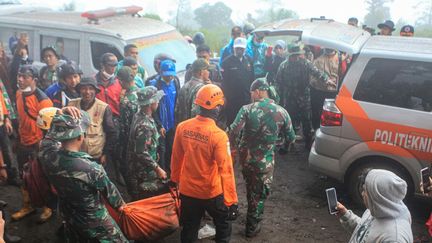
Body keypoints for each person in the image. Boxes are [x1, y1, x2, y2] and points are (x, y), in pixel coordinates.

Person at [39, 109, 128, 242]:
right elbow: (114, 199)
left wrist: (59, 115)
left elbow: (48, 139)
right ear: (81, 136)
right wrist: (123, 207)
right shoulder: (91, 169)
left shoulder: (46, 155)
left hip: (70, 218)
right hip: (95, 223)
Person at [171, 84, 238, 243]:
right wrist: (231, 201)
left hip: (187, 191)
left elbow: (176, 157)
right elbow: (226, 170)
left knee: (189, 228)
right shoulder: (218, 136)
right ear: (218, 108)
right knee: (223, 225)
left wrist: (175, 181)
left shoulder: (182, 127)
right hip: (211, 192)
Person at [228, 79, 295, 237]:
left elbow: (234, 130)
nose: (251, 95)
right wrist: (283, 147)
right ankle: (252, 227)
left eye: (252, 92)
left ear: (258, 91)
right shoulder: (282, 112)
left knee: (251, 187)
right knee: (260, 193)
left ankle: (251, 216)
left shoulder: (246, 109)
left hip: (247, 160)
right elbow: (291, 138)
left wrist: (234, 146)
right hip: (265, 163)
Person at [12, 64, 53, 223]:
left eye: (24, 77)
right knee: (24, 176)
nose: (20, 79)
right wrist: (17, 139)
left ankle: (47, 207)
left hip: (38, 146)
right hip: (23, 143)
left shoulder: (43, 101)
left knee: (41, 178)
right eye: (19, 76)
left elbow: (49, 130)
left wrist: (43, 148)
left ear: (34, 79)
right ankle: (28, 205)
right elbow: (22, 119)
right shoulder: (18, 94)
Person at [276, 42, 335, 149]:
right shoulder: (283, 66)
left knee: (307, 120)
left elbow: (316, 72)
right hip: (290, 97)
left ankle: (308, 142)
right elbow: (278, 83)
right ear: (290, 55)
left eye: (297, 55)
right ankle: (289, 142)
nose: (296, 57)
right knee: (290, 119)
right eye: (293, 55)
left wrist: (327, 80)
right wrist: (278, 99)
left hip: (304, 96)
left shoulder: (305, 63)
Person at [336, 169, 413, 243]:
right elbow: (365, 231)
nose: (362, 193)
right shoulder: (378, 209)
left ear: (377, 195)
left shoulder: (394, 238)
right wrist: (346, 215)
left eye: (365, 190)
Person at [126, 86, 168, 200]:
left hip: (142, 166)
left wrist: (154, 152)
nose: (158, 102)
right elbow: (141, 152)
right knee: (146, 198)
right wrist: (157, 168)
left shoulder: (140, 115)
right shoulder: (144, 125)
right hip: (142, 171)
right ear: (151, 103)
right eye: (156, 100)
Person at [68, 77, 116, 166]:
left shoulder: (103, 108)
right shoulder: (71, 105)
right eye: (84, 88)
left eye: (91, 88)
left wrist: (105, 154)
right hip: (76, 155)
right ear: (79, 90)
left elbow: (111, 133)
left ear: (95, 91)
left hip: (96, 157)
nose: (87, 92)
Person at [147, 59, 180, 174]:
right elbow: (152, 109)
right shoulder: (154, 85)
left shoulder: (175, 82)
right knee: (161, 150)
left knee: (171, 148)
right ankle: (163, 174)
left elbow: (177, 102)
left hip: (171, 124)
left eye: (171, 75)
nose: (170, 77)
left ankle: (172, 172)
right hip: (160, 125)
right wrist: (159, 125)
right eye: (167, 75)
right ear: (161, 73)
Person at [221, 37, 254, 126]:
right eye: (237, 48)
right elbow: (223, 82)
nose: (239, 50)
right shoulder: (226, 62)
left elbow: (252, 78)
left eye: (241, 48)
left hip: (246, 98)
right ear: (234, 48)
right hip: (232, 100)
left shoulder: (249, 60)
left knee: (246, 123)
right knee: (232, 123)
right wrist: (224, 97)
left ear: (245, 49)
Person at [117, 66, 139, 182]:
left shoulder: (125, 101)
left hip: (130, 138)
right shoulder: (141, 92)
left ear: (121, 81)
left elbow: (125, 126)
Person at [310, 48, 340, 130]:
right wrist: (323, 82)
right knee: (318, 114)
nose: (329, 48)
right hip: (320, 92)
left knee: (333, 115)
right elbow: (311, 79)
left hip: (335, 93)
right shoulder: (318, 60)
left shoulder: (341, 59)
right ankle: (317, 131)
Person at [176, 58, 209, 125]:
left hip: (183, 126)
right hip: (194, 128)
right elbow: (195, 113)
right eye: (207, 70)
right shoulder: (201, 88)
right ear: (201, 72)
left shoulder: (184, 86)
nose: (209, 72)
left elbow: (177, 109)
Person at [95, 53, 122, 118]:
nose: (113, 68)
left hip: (115, 119)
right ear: (102, 65)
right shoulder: (94, 81)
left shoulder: (119, 82)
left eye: (115, 65)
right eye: (110, 65)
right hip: (98, 118)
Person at [0, 90, 13, 184]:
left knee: (6, 151)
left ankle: (11, 177)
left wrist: (6, 119)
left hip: (1, 124)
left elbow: (2, 103)